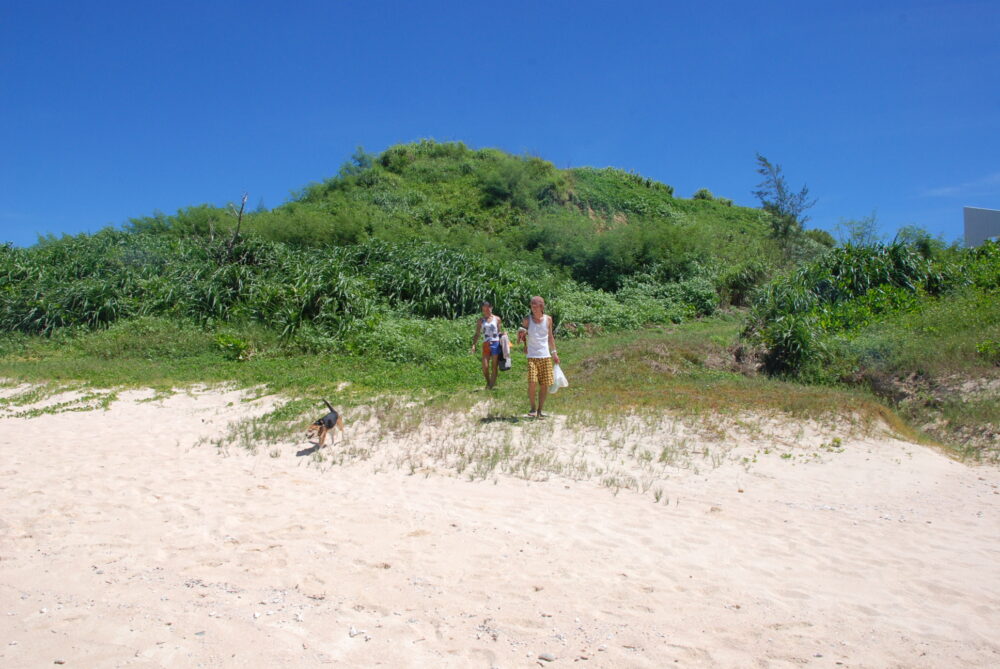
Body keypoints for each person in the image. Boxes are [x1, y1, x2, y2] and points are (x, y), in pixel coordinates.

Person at [518, 296, 560, 418]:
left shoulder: (548, 320)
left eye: (535, 306)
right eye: (531, 306)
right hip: (532, 356)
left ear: (542, 306)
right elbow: (522, 334)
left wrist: (554, 353)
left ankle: (540, 410)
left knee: (544, 384)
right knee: (532, 382)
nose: (533, 308)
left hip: (545, 355)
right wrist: (523, 342)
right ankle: (532, 408)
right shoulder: (527, 320)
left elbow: (550, 337)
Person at [471, 301, 504, 389]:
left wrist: (503, 336)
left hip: (496, 343)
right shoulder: (480, 321)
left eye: (488, 308)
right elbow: (477, 334)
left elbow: (499, 331)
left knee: (494, 365)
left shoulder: (497, 319)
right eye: (484, 309)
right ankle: (489, 382)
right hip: (486, 344)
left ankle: (491, 386)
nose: (486, 311)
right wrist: (474, 344)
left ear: (491, 308)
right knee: (485, 366)